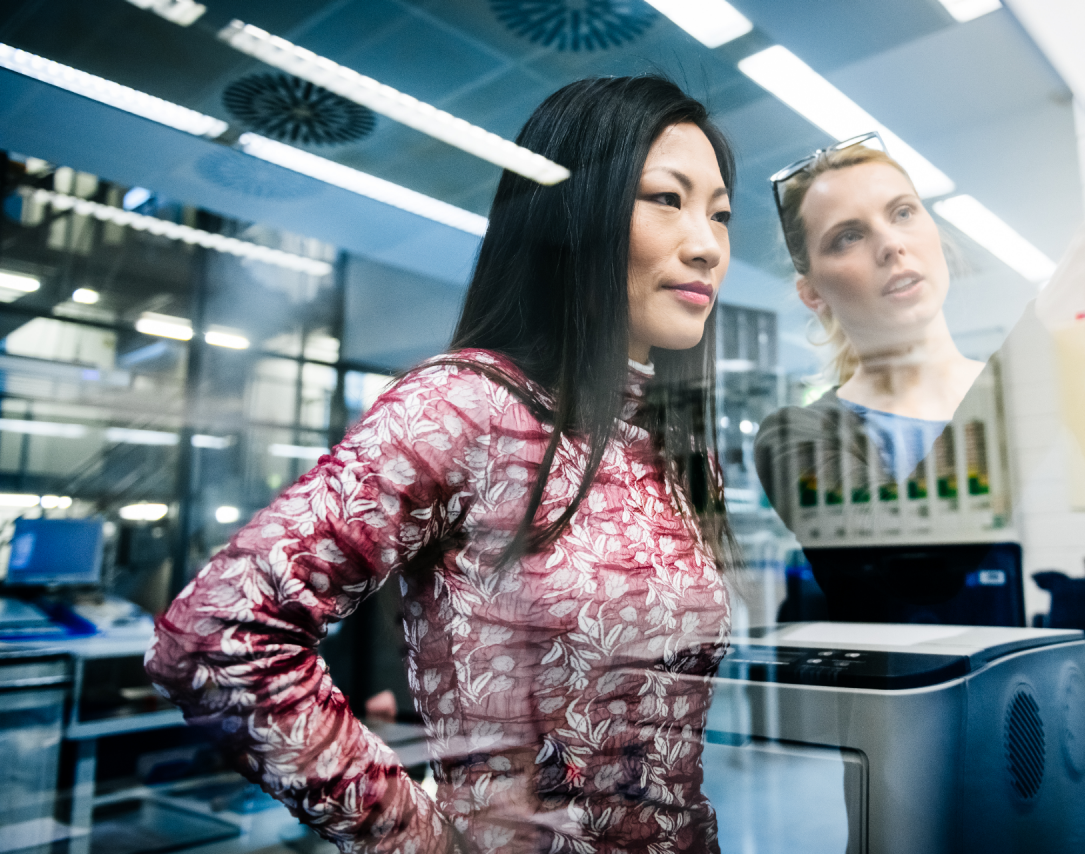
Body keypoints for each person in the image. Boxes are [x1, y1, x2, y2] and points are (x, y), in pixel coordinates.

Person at [146, 75, 738, 854]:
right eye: (667, 198)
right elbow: (218, 638)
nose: (707, 243)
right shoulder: (463, 409)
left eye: (721, 213)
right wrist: (418, 840)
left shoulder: (676, 447)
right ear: (573, 214)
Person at [755, 134, 984, 504]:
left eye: (903, 213)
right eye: (848, 237)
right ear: (813, 293)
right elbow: (904, 542)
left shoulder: (1031, 391)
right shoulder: (799, 437)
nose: (891, 243)